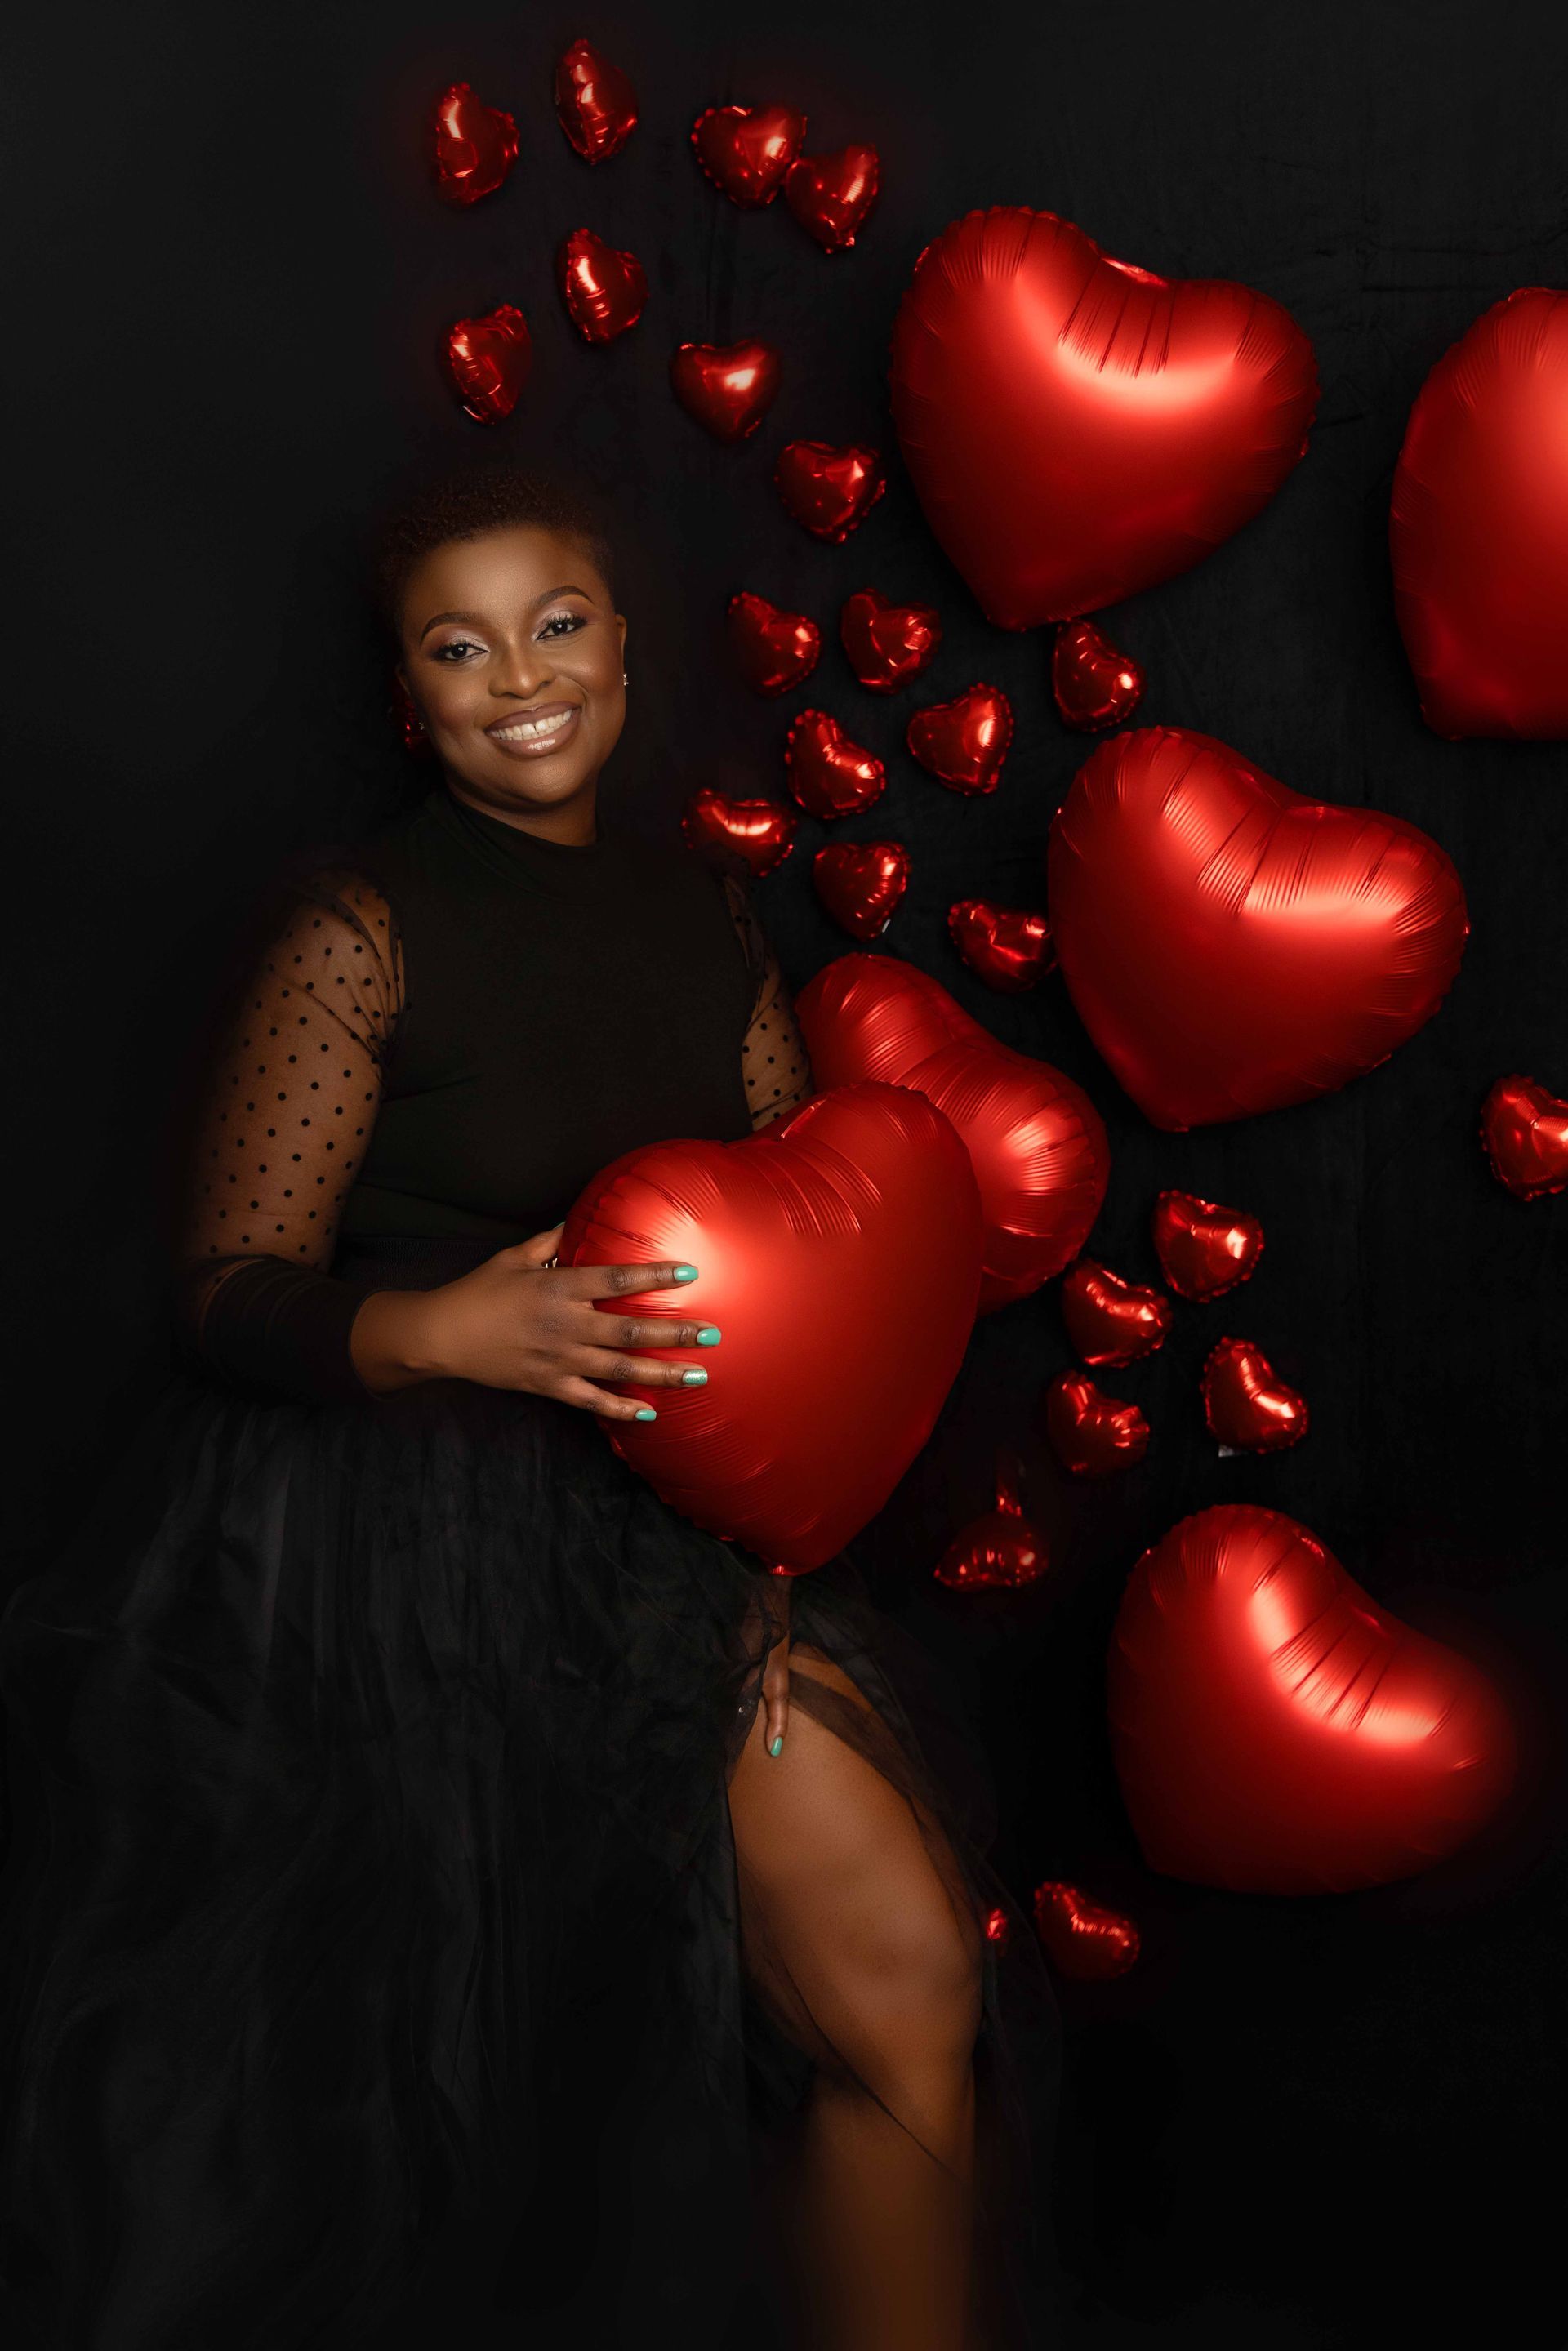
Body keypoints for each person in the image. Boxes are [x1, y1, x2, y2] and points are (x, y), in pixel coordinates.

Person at [0, 460, 1062, 2349]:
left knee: (900, 1975)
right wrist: (442, 1334)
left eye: (556, 624)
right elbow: (228, 1287)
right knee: (425, 2143)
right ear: (412, 694)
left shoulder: (713, 928)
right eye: (460, 646)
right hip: (386, 1558)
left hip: (667, 1545)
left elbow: (809, 1223)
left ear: (626, 651)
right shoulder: (362, 927)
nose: (521, 677)